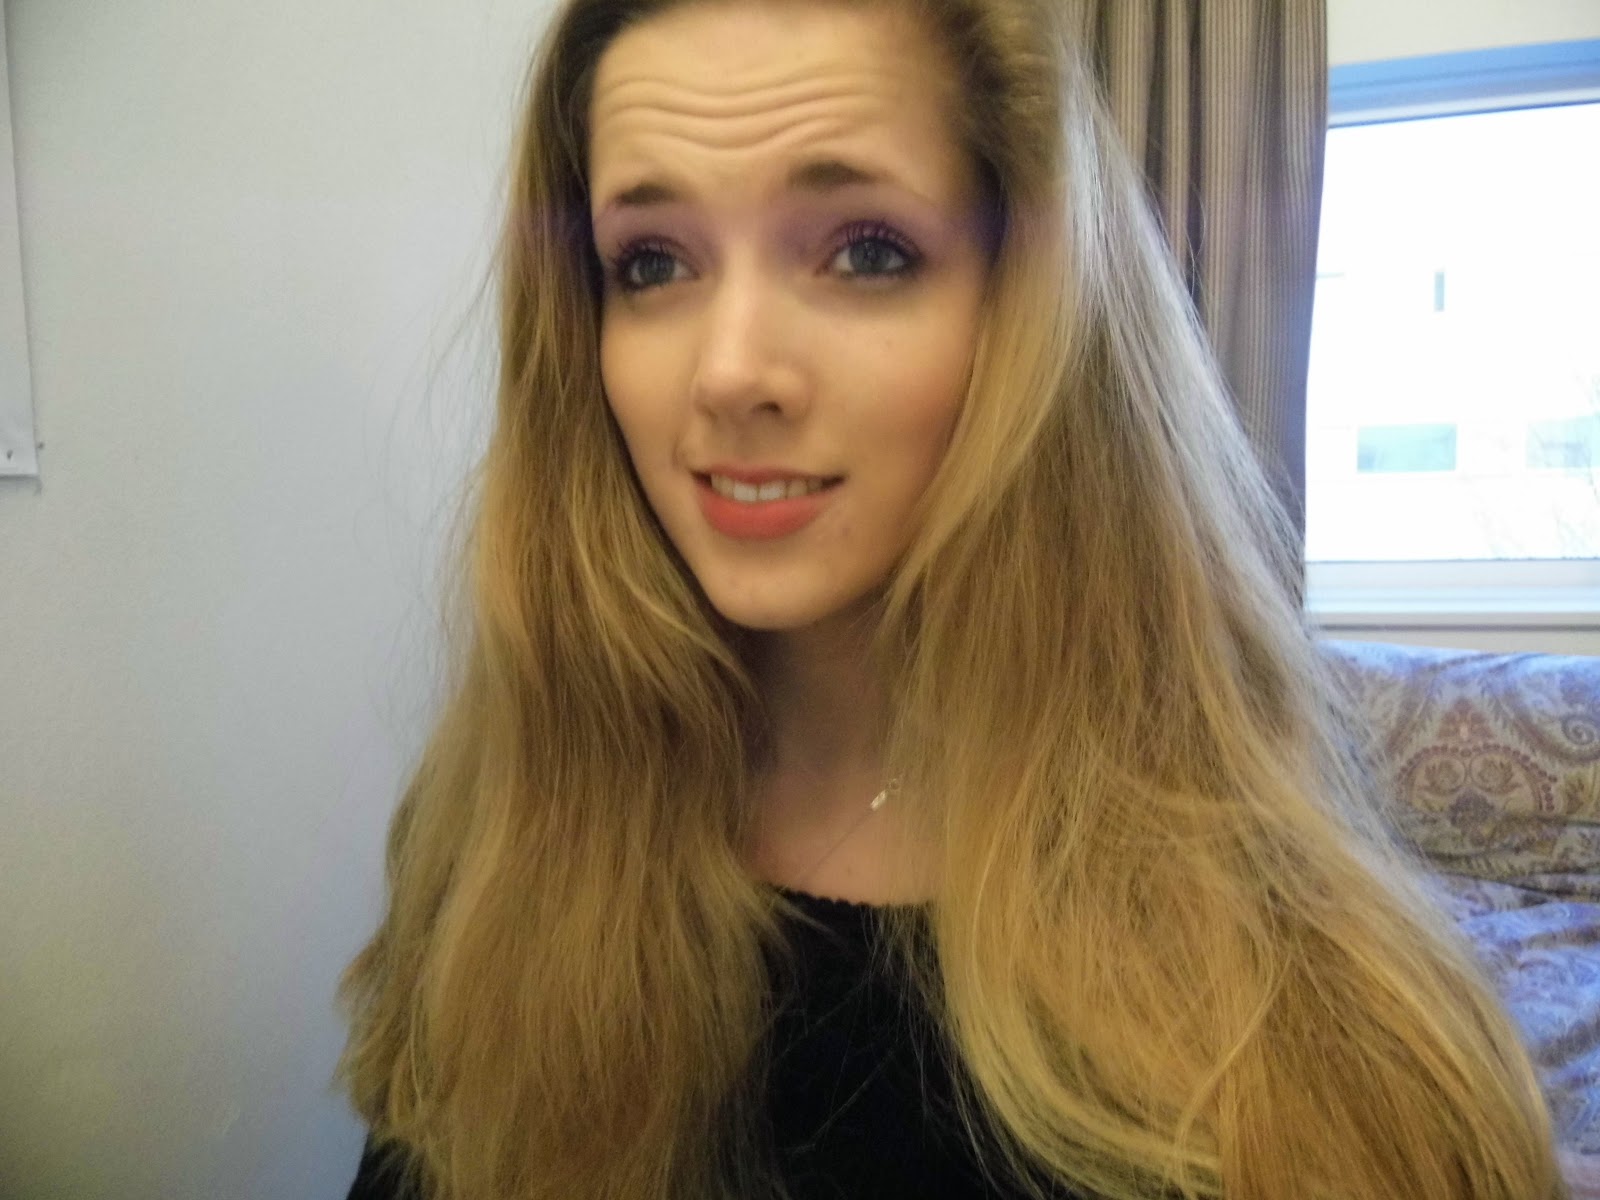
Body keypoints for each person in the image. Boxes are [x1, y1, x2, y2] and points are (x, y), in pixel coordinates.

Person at [336, 0, 1574, 1196]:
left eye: (865, 251)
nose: (728, 372)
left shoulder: (1281, 967)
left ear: (1027, 314)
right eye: (651, 263)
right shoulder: (510, 839)